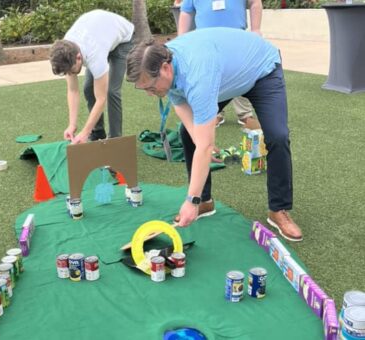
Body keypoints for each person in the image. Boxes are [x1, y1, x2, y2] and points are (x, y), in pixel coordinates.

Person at [126, 28, 303, 242]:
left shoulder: (197, 75)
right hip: (225, 79)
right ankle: (204, 201)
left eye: (151, 87)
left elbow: (204, 145)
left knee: (278, 136)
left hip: (261, 71)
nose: (149, 93)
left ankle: (279, 209)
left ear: (165, 68)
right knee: (188, 133)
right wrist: (199, 139)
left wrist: (190, 200)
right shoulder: (165, 61)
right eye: (144, 89)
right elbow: (179, 101)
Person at [49, 9, 134, 144]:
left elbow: (101, 98)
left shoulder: (95, 54)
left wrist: (84, 132)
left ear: (78, 57)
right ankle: (98, 132)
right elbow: (72, 90)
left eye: (71, 71)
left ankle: (115, 141)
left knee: (111, 91)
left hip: (123, 40)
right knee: (88, 88)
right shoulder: (66, 49)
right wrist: (72, 125)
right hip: (101, 36)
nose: (70, 75)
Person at [177, 0, 263, 129]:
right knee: (209, 78)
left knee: (241, 75)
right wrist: (181, 38)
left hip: (237, 38)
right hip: (205, 42)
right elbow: (186, 11)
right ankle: (214, 114)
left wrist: (256, 29)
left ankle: (245, 115)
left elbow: (255, 2)